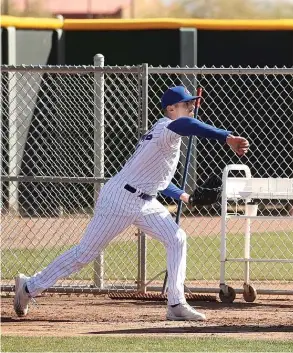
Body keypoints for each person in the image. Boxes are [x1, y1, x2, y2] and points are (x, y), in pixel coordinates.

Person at [14, 85, 250, 321]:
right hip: (120, 199)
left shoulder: (167, 137)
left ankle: (176, 303)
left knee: (177, 238)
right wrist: (226, 137)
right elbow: (185, 125)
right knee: (85, 253)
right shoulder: (166, 127)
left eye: (192, 103)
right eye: (185, 104)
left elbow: (157, 181)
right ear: (170, 109)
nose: (190, 107)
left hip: (144, 201)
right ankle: (28, 287)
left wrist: (186, 197)